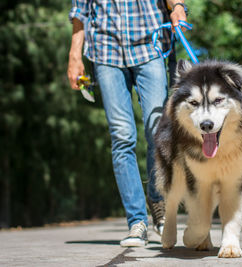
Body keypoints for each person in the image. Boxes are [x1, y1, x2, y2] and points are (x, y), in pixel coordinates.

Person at [67, 0, 188, 247]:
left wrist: (177, 6)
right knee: (122, 136)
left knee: (157, 130)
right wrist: (74, 54)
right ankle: (137, 221)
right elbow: (80, 9)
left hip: (150, 46)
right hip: (106, 52)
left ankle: (158, 201)